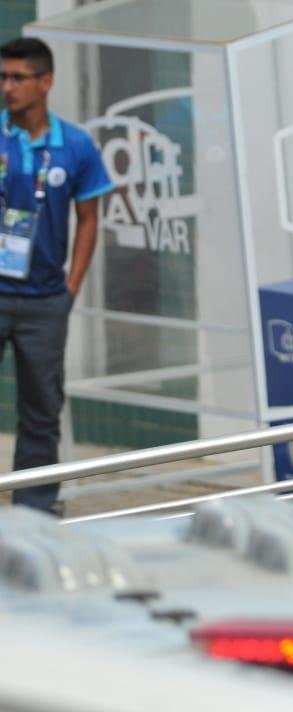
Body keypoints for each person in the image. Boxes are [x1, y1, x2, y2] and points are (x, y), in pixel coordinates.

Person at [0, 38, 113, 514]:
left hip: (46, 300)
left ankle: (35, 513)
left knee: (42, 412)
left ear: (45, 82)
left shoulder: (76, 145)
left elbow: (90, 218)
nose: (7, 88)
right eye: (2, 78)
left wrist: (70, 288)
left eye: (17, 78)